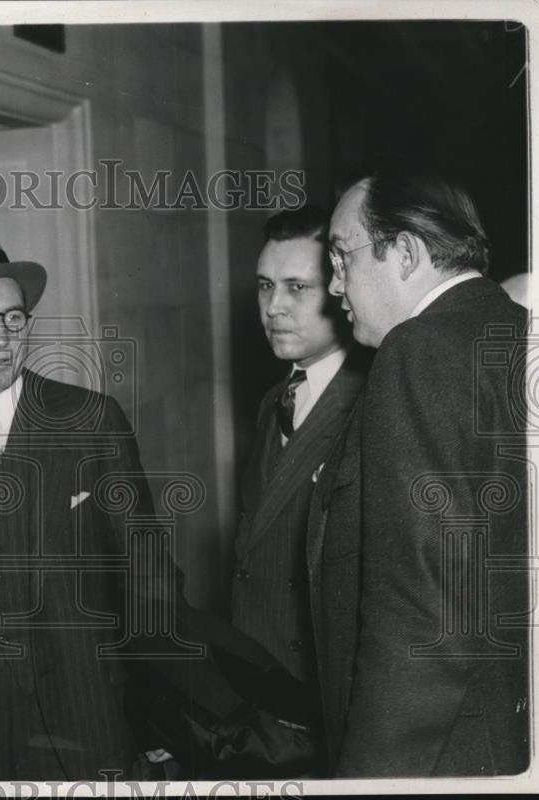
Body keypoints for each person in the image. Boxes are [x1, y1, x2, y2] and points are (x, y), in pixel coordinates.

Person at [0, 225, 319, 781]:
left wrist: (163, 713)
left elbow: (149, 584)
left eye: (14, 319)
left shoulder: (89, 420)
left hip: (88, 724)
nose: (0, 338)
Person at [308, 167, 529, 776]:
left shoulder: (418, 350)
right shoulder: (514, 331)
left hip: (437, 754)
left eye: (341, 256)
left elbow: (421, 611)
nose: (333, 285)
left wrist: (369, 780)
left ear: (404, 252)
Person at [231, 206, 368, 695]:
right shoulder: (275, 399)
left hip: (327, 690)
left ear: (341, 289)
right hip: (265, 682)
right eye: (266, 286)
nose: (273, 308)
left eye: (296, 287)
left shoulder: (372, 401)